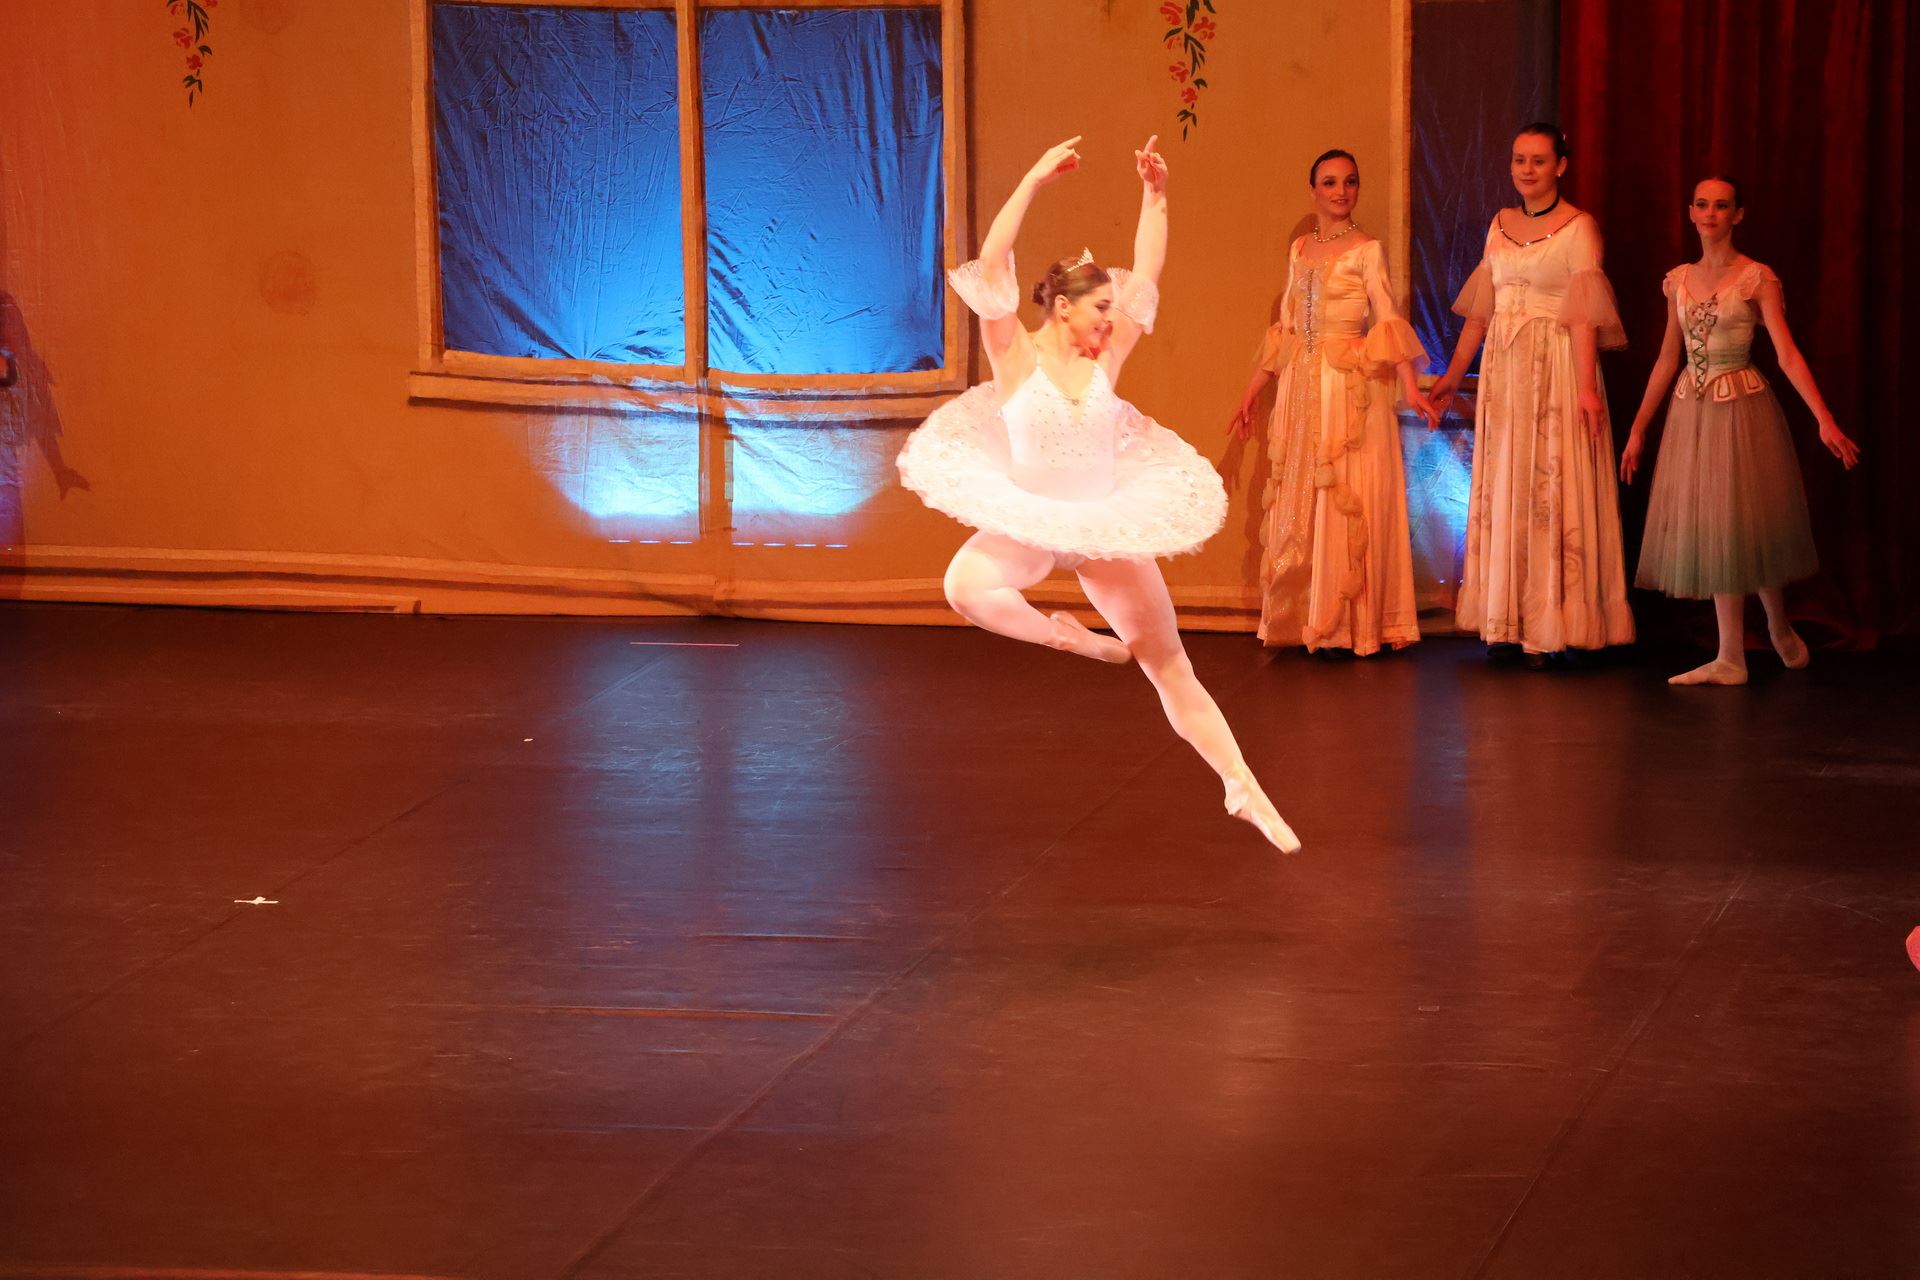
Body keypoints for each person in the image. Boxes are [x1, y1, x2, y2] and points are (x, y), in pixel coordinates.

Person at [897, 135, 1299, 852]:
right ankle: (1071, 639)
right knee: (965, 587)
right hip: (1031, 520)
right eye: (1101, 307)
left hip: (1102, 524)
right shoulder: (1013, 353)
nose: (1112, 319)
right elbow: (993, 260)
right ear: (1062, 307)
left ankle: (1243, 785)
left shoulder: (1106, 359)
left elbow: (1149, 267)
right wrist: (1031, 178)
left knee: (1169, 662)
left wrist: (1156, 194)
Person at [1619, 177, 1862, 685]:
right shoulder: (1678, 280)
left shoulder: (1756, 278)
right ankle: (1732, 655)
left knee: (1747, 521)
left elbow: (1787, 354)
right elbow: (1667, 357)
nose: (1710, 213)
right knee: (1717, 524)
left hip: (1740, 406)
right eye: (1702, 204)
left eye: (1721, 205)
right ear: (1690, 212)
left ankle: (1776, 624)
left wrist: (1824, 418)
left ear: (1738, 214)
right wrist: (1639, 429)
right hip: (1692, 410)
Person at [1428, 123, 1636, 665]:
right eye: (1519, 159)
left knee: (1553, 484)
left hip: (1558, 368)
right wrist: (1452, 376)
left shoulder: (1579, 228)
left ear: (1560, 165)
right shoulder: (1499, 225)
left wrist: (1586, 389)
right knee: (1508, 482)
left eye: (1539, 160)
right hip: (1505, 372)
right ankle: (1508, 619)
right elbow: (1482, 312)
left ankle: (1559, 623)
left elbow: (1585, 316)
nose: (1527, 169)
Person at [1229, 149, 1431, 654]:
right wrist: (1251, 391)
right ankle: (1305, 615)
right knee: (1302, 495)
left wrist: (1410, 386)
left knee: (1342, 491)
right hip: (1300, 383)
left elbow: (1387, 319)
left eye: (1350, 182)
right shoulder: (1300, 249)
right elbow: (1287, 329)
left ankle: (1345, 622)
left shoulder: (1367, 250)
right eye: (1330, 182)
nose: (1341, 191)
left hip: (1345, 386)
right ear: (1314, 190)